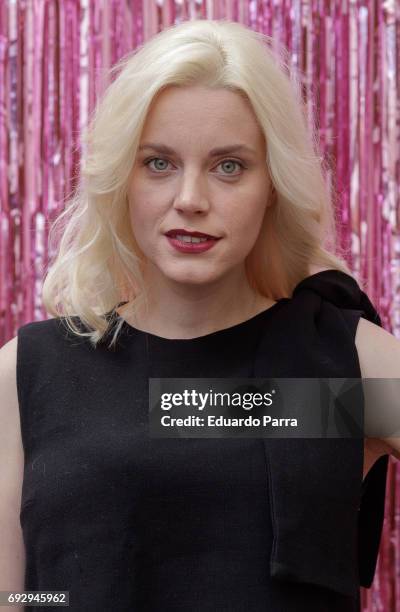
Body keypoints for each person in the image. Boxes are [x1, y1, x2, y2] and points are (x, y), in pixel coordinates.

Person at [1, 18, 399, 612]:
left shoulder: (343, 362)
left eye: (229, 166)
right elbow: (21, 598)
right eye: (158, 163)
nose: (191, 198)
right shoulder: (28, 372)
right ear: (122, 179)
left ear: (273, 186)